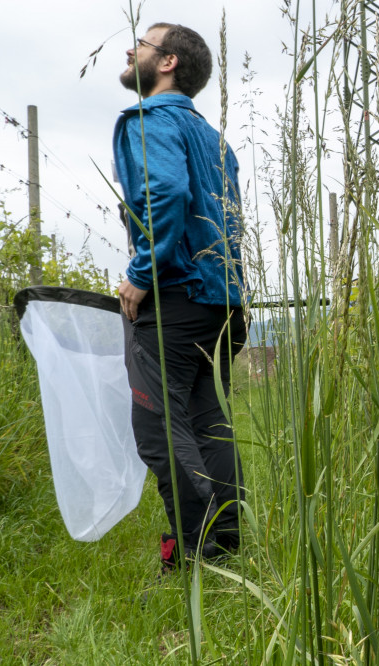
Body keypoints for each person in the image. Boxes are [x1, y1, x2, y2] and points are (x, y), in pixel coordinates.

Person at [114, 22, 246, 572]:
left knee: (158, 429)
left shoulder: (147, 120)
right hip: (222, 302)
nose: (128, 49)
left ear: (167, 62)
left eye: (140, 44)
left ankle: (198, 553)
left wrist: (142, 273)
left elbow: (163, 193)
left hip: (174, 297)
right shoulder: (215, 140)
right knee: (204, 417)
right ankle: (229, 543)